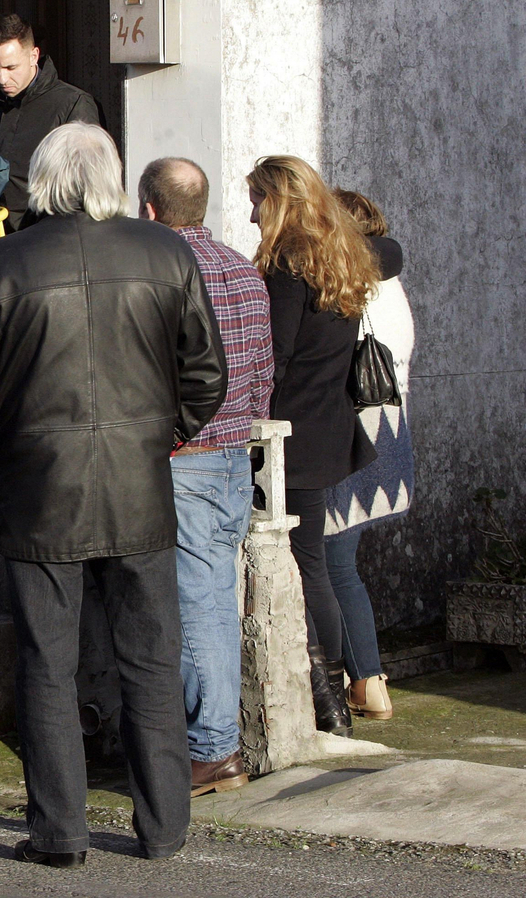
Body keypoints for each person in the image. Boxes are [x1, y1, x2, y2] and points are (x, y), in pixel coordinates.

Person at [0, 124, 225, 867]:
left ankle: (60, 832)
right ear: (112, 177)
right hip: (138, 485)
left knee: (47, 663)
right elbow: (206, 378)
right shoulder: (165, 253)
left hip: (40, 490)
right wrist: (154, 438)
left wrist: (11, 459)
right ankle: (163, 827)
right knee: (152, 659)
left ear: (42, 180)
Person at [140, 158, 274, 797]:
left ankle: (212, 747)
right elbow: (262, 372)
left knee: (197, 608)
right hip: (230, 456)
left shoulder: (163, 269)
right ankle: (213, 742)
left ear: (148, 208)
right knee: (216, 600)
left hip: (183, 455)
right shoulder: (244, 270)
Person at [247, 156, 382, 737]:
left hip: (291, 433)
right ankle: (333, 701)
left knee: (307, 564)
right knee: (315, 561)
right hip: (328, 425)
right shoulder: (341, 253)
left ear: (278, 201)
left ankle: (327, 705)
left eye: (256, 200)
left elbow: (272, 355)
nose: (251, 213)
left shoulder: (287, 262)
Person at [324, 189, 412, 722]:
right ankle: (362, 678)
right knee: (339, 562)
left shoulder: (355, 284)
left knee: (336, 563)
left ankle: (367, 681)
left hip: (358, 435)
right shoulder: (391, 283)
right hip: (391, 433)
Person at [0, 13, 100, 234]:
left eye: (11, 68)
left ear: (34, 56)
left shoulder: (72, 103)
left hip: (46, 239)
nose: (2, 79)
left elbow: (87, 185)